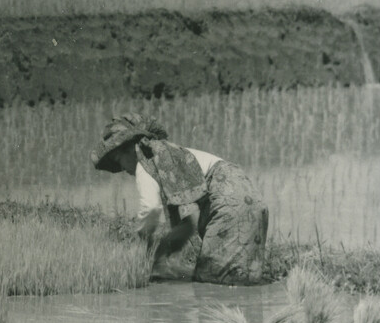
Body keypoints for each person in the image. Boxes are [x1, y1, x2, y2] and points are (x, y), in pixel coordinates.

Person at [92, 114, 269, 283]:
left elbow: (151, 208)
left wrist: (142, 243)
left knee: (212, 284)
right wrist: (162, 250)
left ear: (131, 149)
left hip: (228, 205)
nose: (122, 168)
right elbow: (189, 225)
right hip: (249, 197)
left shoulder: (145, 162)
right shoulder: (170, 158)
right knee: (239, 281)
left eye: (119, 159)